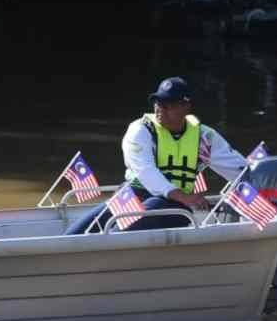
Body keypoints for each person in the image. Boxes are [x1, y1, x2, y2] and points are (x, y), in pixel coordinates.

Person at [65, 77, 248, 234]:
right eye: (158, 102)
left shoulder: (204, 137)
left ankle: (103, 251)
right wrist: (185, 197)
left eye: (168, 104)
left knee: (124, 227)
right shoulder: (141, 130)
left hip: (172, 207)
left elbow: (239, 170)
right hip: (133, 196)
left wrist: (265, 184)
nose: (160, 108)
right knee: (78, 232)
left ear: (185, 106)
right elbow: (146, 172)